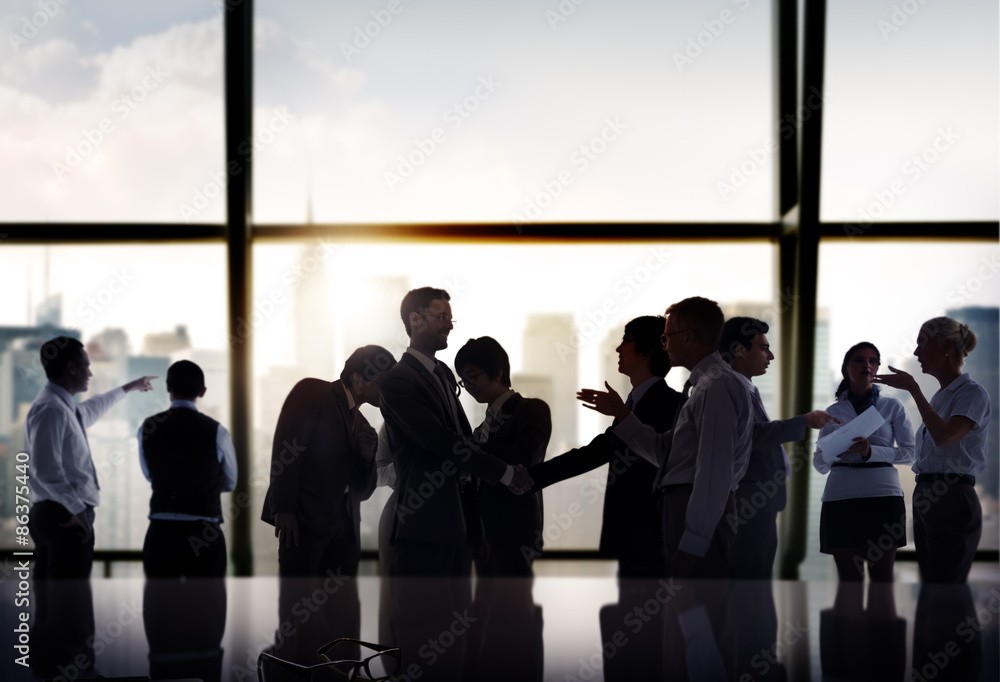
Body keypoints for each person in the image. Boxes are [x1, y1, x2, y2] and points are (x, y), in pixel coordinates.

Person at [579, 296, 753, 578]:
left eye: (666, 337)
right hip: (686, 511)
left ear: (687, 338)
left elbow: (714, 473)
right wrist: (624, 416)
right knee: (687, 612)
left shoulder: (716, 387)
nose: (664, 345)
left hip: (694, 515)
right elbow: (665, 454)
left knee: (698, 608)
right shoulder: (704, 387)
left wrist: (692, 543)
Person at [379, 287, 532, 577]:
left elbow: (462, 442)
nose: (449, 325)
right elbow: (443, 442)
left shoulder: (445, 374)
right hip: (422, 528)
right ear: (415, 319)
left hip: (458, 529)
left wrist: (476, 530)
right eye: (441, 316)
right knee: (422, 618)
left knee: (453, 618)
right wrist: (506, 473)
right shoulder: (398, 381)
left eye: (451, 318)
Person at [529, 315, 683, 577]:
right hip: (631, 539)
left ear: (647, 351)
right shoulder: (631, 405)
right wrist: (532, 476)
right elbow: (595, 452)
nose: (618, 348)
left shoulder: (673, 405)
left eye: (627, 341)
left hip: (651, 539)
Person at [26, 336, 155, 578]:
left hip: (58, 514)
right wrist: (77, 510)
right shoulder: (52, 409)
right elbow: (44, 469)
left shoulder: (62, 407)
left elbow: (92, 408)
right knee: (70, 602)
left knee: (53, 600)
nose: (90, 373)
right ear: (71, 367)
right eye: (86, 365)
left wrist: (128, 387)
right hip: (64, 516)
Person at [261, 345, 395, 577]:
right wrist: (284, 509)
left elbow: (363, 491)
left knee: (341, 610)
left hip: (345, 535)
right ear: (357, 378)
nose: (387, 390)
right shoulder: (313, 392)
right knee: (299, 604)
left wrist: (366, 457)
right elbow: (287, 448)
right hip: (304, 525)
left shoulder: (364, 427)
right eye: (382, 381)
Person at [874, 317, 991, 583]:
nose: (916, 353)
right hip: (928, 494)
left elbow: (946, 436)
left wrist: (913, 389)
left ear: (947, 346)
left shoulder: (972, 394)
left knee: (945, 588)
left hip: (951, 495)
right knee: (932, 585)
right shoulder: (942, 397)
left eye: (921, 344)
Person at [719, 316, 836, 579]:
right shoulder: (729, 387)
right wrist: (802, 421)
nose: (770, 356)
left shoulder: (745, 387)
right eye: (763, 347)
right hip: (747, 500)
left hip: (758, 502)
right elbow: (748, 436)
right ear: (739, 350)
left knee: (757, 576)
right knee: (749, 579)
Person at [813, 342, 914, 582]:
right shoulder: (832, 411)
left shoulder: (892, 407)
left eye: (873, 360)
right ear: (847, 368)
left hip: (883, 498)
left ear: (877, 367)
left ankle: (881, 621)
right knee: (849, 581)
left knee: (882, 580)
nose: (867, 365)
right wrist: (837, 448)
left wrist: (873, 452)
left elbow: (911, 453)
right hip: (840, 498)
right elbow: (819, 463)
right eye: (859, 360)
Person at [455, 336, 551, 577]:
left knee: (513, 607)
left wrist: (469, 449)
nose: (468, 385)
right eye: (464, 380)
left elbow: (524, 457)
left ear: (497, 373)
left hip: (515, 532)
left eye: (473, 376)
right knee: (489, 609)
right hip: (483, 535)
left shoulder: (532, 409)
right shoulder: (481, 428)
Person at [138, 360, 237, 577]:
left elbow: (149, 475)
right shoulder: (217, 431)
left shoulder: (147, 427)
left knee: (159, 605)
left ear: (168, 388)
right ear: (202, 391)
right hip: (204, 532)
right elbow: (230, 482)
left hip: (161, 532)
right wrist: (203, 483)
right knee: (207, 607)